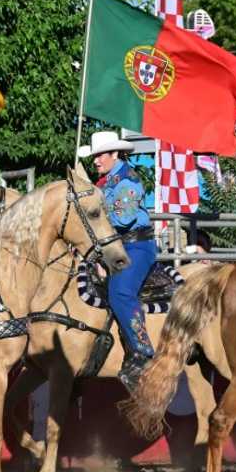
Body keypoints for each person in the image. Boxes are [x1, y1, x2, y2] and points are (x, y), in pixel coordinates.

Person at [78, 130, 156, 391]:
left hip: (136, 246)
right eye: (95, 156)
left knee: (121, 292)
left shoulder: (128, 180)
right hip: (112, 247)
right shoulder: (103, 183)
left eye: (100, 155)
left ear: (115, 154)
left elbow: (122, 219)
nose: (96, 161)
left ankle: (142, 352)